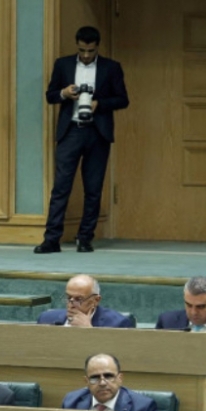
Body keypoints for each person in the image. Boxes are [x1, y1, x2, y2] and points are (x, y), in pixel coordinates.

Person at [35, 26, 130, 254]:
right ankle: (51, 239)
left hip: (98, 133)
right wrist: (64, 93)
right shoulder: (63, 64)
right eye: (82, 50)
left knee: (93, 189)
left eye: (90, 51)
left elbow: (123, 99)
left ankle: (85, 237)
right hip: (71, 132)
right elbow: (50, 96)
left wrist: (99, 103)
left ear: (97, 47)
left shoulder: (111, 67)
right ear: (77, 46)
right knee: (61, 187)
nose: (86, 55)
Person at [36, 274, 134, 328]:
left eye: (79, 299)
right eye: (68, 297)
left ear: (96, 300)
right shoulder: (46, 319)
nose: (71, 304)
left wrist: (89, 331)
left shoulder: (117, 324)